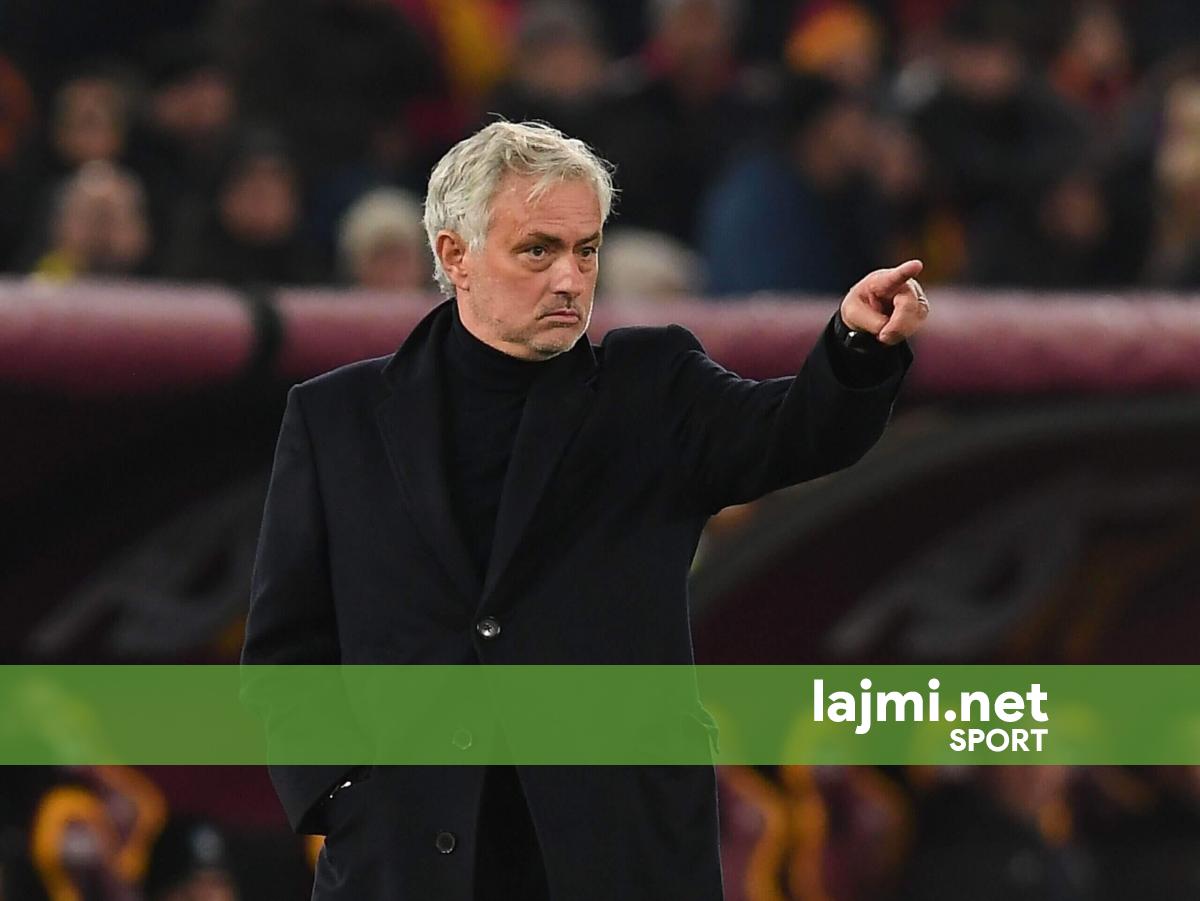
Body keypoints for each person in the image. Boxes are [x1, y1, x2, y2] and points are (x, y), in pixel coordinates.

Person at [241, 120, 930, 900]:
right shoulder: (335, 418)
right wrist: (339, 794)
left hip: (619, 855)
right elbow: (286, 647)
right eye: (538, 250)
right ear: (454, 255)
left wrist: (856, 346)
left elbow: (796, 431)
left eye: (587, 249)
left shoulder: (654, 387)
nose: (570, 278)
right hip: (405, 864)